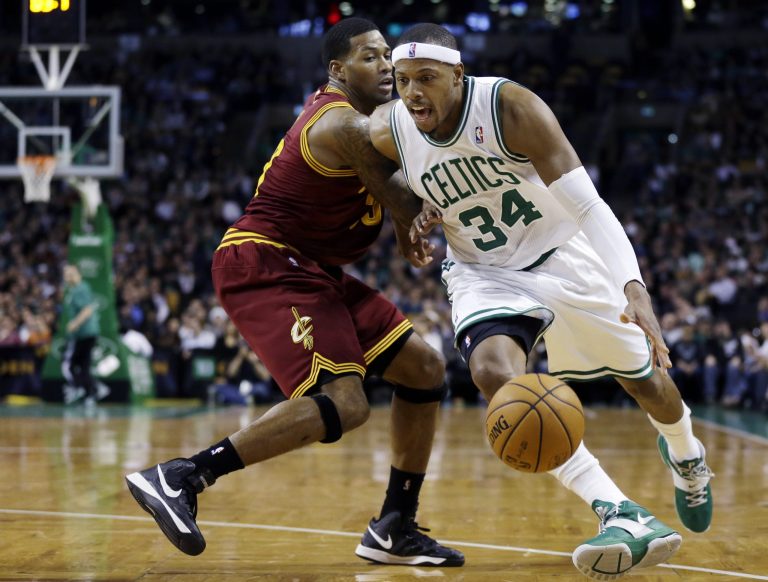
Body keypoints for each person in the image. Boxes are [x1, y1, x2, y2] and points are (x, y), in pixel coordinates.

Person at [369, 23, 714, 579]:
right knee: (491, 373)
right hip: (486, 273)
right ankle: (620, 511)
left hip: (563, 253)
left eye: (426, 79)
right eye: (403, 80)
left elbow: (588, 207)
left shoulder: (510, 107)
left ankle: (687, 454)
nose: (412, 92)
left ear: (458, 75)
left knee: (648, 383)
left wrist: (635, 288)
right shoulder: (388, 129)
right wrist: (411, 207)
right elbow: (379, 169)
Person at [125, 17, 463, 567]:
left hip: (312, 269)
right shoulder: (339, 125)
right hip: (265, 262)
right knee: (344, 402)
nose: (385, 67)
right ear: (338, 70)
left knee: (424, 369)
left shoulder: (362, 124)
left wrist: (405, 228)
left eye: (387, 57)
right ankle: (183, 475)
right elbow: (403, 195)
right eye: (370, 57)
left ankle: (394, 526)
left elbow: (389, 192)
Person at [61, 264, 101, 406]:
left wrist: (75, 324)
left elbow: (87, 310)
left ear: (75, 274)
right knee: (83, 365)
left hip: (85, 333)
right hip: (84, 334)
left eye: (68, 273)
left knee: (70, 365)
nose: (65, 276)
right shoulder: (73, 290)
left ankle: (80, 389)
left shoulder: (81, 289)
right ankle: (91, 391)